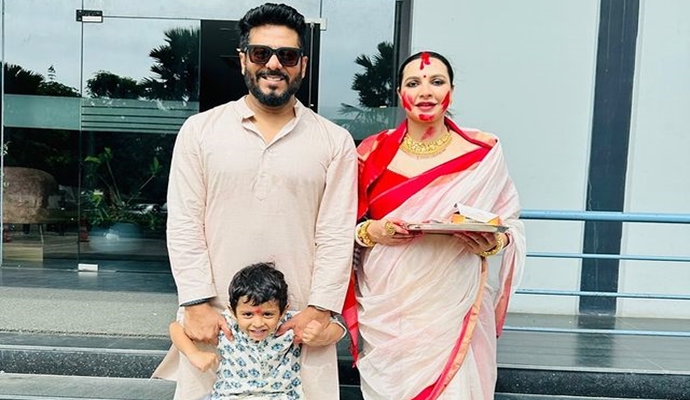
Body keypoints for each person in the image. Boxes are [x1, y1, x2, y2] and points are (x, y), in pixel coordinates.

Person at [152, 3, 358, 399]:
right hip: (218, 318)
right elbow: (184, 222)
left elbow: (336, 231)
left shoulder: (334, 142)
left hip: (298, 322)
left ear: (302, 65)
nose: (274, 64)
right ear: (244, 58)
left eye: (288, 55)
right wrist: (195, 302)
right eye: (261, 53)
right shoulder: (200, 131)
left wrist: (321, 309)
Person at [344, 51, 526, 399]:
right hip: (389, 304)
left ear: (451, 92)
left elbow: (508, 222)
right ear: (400, 93)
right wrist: (372, 231)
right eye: (414, 83)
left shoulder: (482, 151)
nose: (425, 91)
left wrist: (493, 243)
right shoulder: (371, 152)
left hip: (454, 300)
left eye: (436, 81)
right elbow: (344, 225)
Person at [169, 262, 346, 400]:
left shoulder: (289, 326)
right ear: (233, 311)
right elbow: (176, 328)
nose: (258, 323)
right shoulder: (227, 325)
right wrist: (194, 354)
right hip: (229, 396)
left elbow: (339, 329)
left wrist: (321, 335)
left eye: (268, 314)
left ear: (283, 311)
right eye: (248, 314)